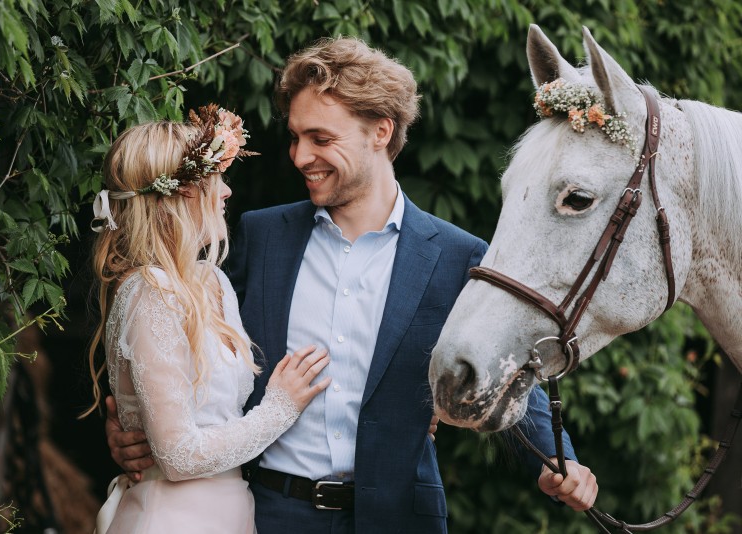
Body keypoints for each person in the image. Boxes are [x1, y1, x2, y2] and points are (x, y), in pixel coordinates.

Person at [107, 37, 598, 533]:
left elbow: (508, 370)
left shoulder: (456, 255)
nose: (300, 156)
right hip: (268, 514)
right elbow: (185, 348)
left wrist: (561, 461)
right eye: (296, 137)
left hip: (400, 517)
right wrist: (129, 423)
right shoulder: (261, 236)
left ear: (380, 132)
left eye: (321, 139)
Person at [83, 105, 332, 533]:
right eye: (217, 181)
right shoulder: (149, 292)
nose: (227, 193)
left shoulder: (212, 281)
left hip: (230, 513)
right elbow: (178, 455)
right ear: (182, 194)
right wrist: (279, 409)